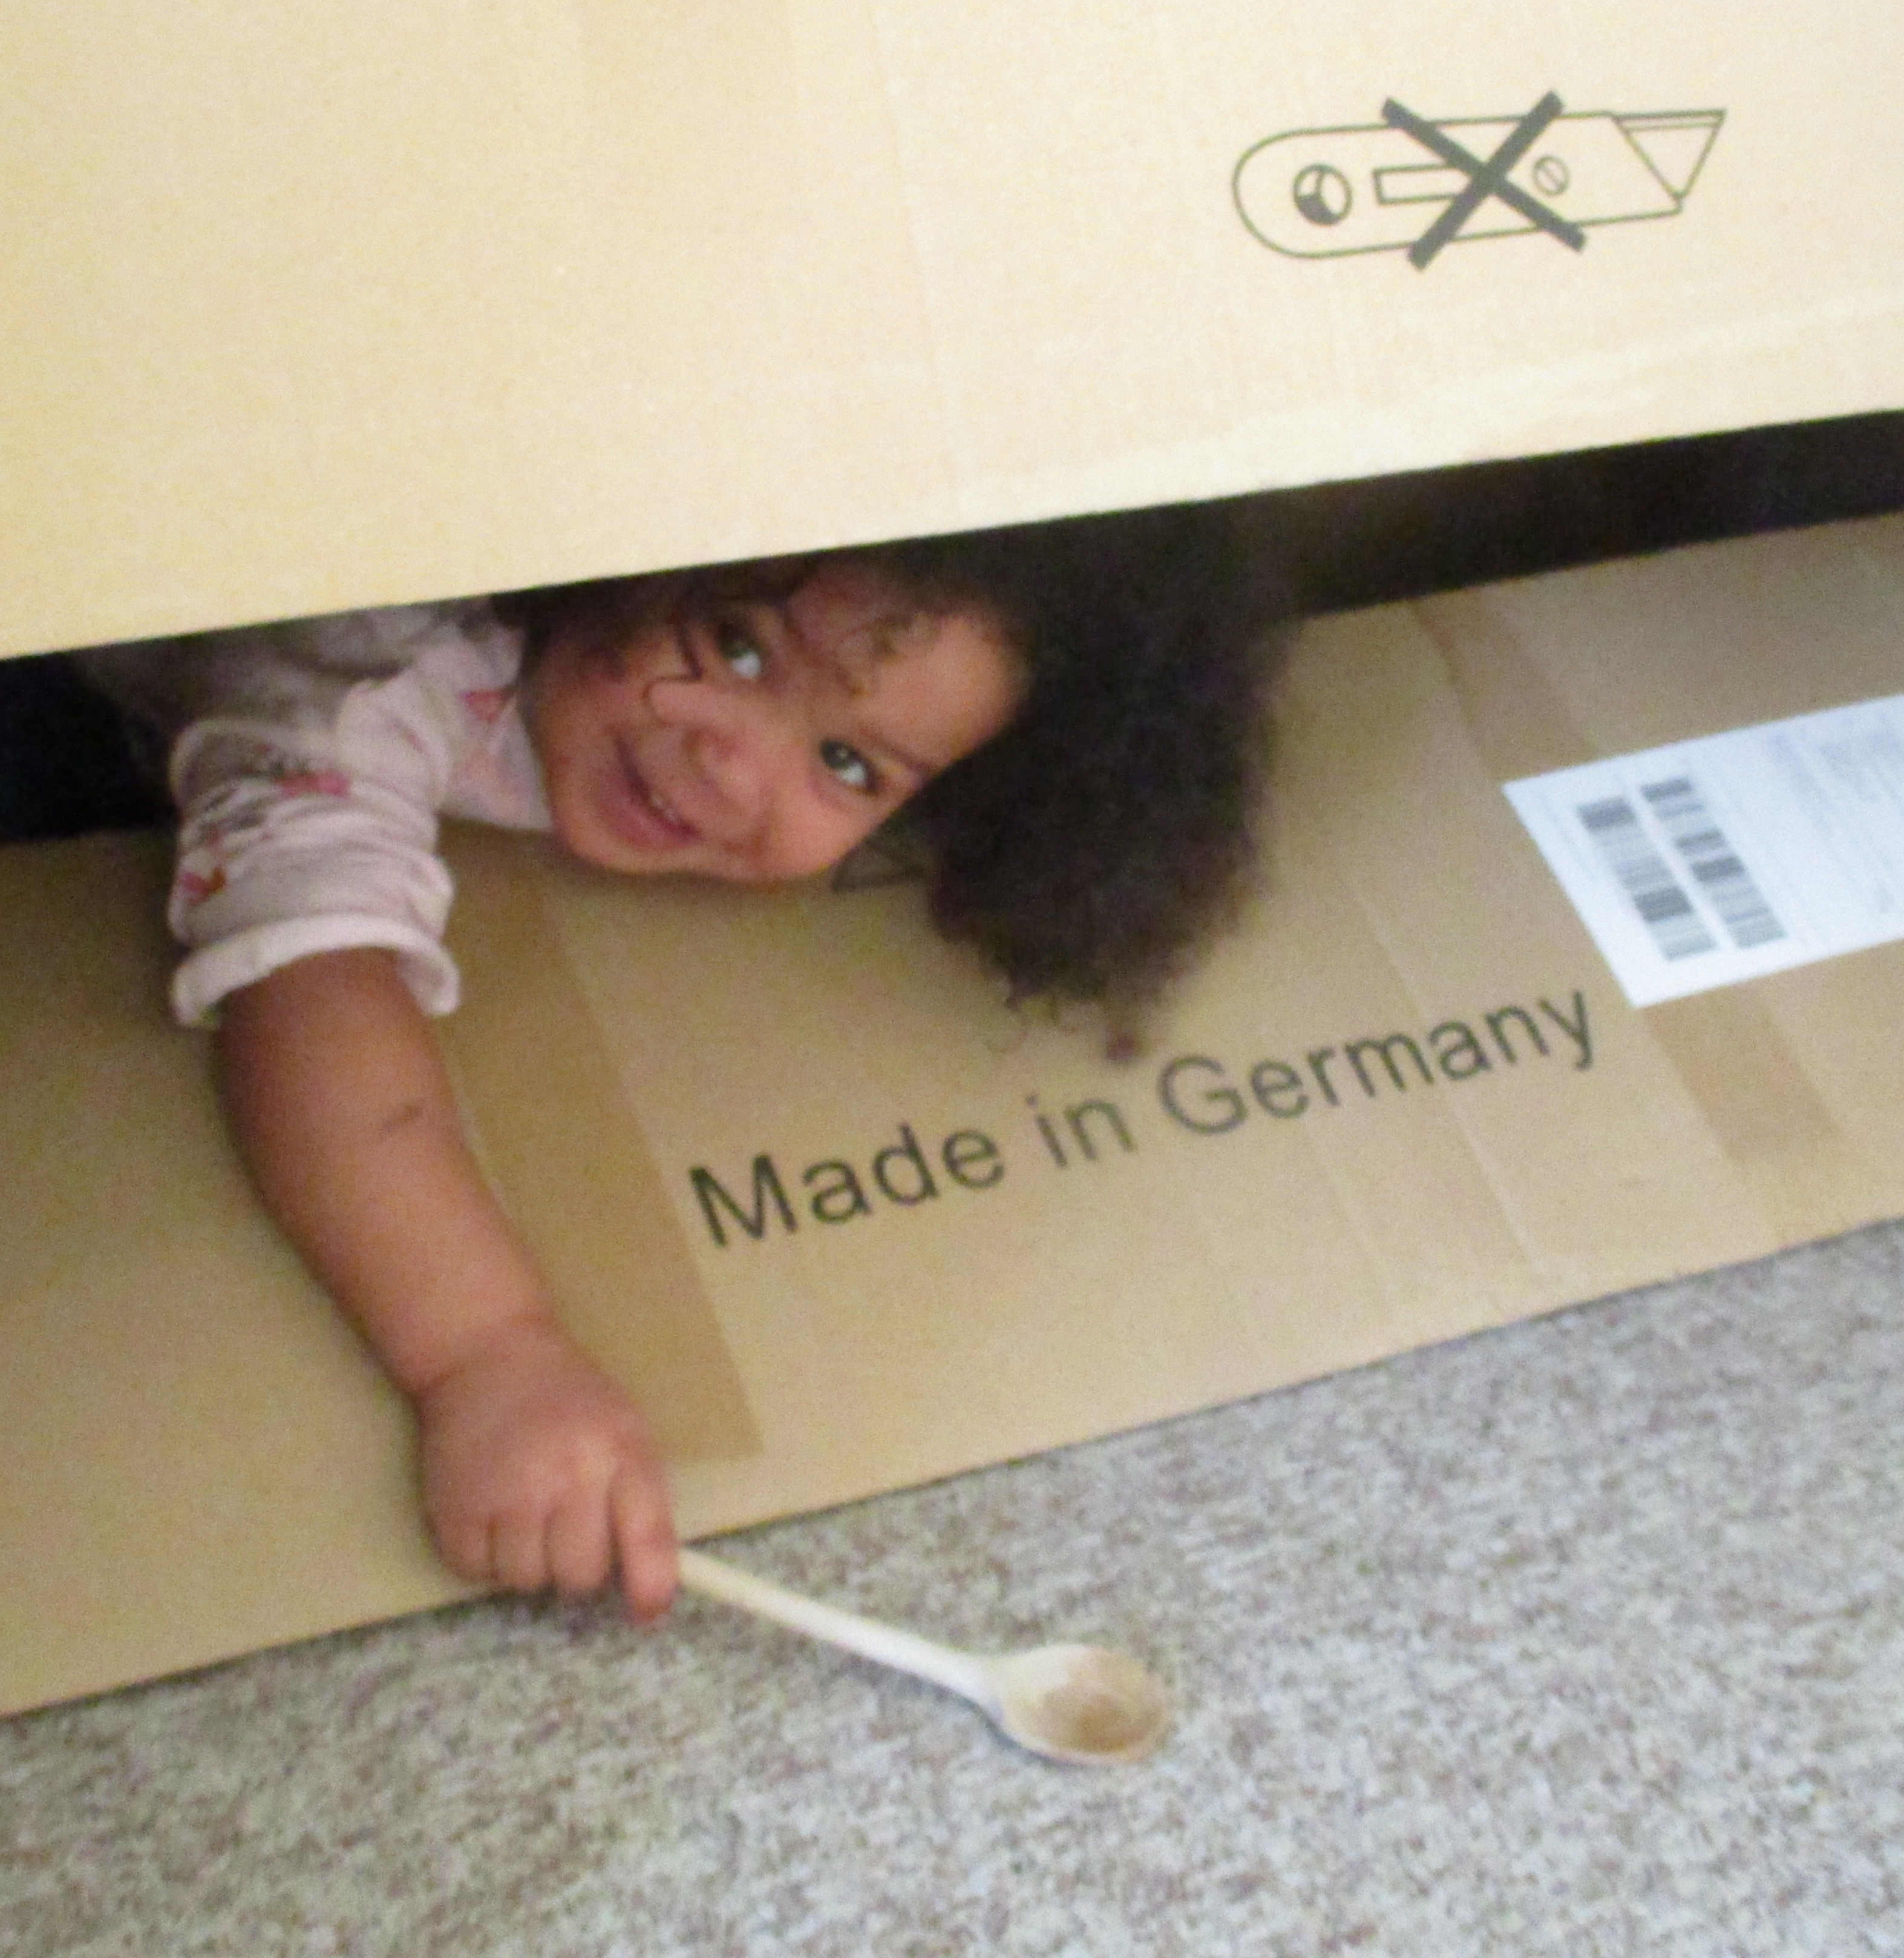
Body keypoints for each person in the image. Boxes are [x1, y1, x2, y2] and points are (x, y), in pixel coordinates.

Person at [93, 506, 1284, 1625]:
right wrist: (486, 1358)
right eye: (736, 647)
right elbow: (307, 987)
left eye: (848, 764)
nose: (733, 767)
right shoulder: (363, 674)